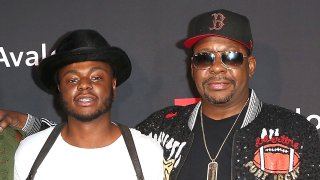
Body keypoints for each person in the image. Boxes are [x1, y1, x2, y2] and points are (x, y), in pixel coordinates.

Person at [1, 9, 320, 180]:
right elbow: (92, 142)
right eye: (204, 57)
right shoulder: (162, 129)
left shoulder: (298, 132)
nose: (217, 67)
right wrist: (26, 124)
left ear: (249, 66)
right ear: (192, 67)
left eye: (231, 56)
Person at [12, 29, 164, 180]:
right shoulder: (30, 151)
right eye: (72, 79)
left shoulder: (146, 152)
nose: (84, 85)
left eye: (96, 77)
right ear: (60, 89)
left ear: (113, 85)